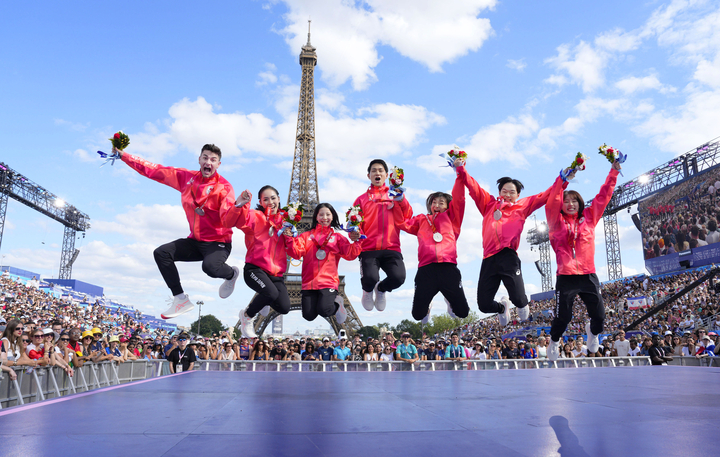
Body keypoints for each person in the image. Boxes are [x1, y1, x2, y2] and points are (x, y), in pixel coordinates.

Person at [115, 144, 240, 319]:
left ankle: (232, 274)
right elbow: (154, 170)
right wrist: (124, 156)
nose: (208, 162)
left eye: (213, 160)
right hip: (195, 241)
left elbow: (229, 216)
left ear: (218, 164)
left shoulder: (224, 187)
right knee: (161, 253)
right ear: (199, 160)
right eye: (205, 158)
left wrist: (238, 207)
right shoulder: (186, 178)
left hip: (218, 243)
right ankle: (180, 299)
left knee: (210, 267)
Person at [457, 165, 555, 326]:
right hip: (489, 259)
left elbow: (545, 195)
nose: (508, 195)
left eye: (512, 192)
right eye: (504, 191)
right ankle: (502, 308)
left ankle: (523, 304)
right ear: (499, 192)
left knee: (518, 299)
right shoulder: (488, 204)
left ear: (518, 195)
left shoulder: (523, 206)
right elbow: (474, 187)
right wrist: (461, 169)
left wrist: (563, 179)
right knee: (483, 305)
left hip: (508, 256)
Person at [546, 159, 622, 361]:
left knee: (599, 316)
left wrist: (613, 172)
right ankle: (554, 341)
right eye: (566, 201)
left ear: (580, 203)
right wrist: (562, 180)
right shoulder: (555, 221)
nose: (570, 204)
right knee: (563, 317)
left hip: (588, 274)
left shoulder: (589, 217)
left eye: (574, 201)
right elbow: (552, 200)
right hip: (566, 277)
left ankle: (593, 333)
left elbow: (604, 196)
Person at [396, 158, 469, 322]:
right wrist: (400, 199)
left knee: (463, 312)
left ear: (448, 206)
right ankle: (428, 305)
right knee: (418, 315)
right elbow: (403, 222)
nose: (436, 205)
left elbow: (459, 199)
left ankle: (449, 300)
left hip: (448, 267)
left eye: (441, 202)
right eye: (434, 202)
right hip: (426, 269)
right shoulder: (422, 219)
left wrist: (459, 172)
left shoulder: (453, 218)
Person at [229, 186, 291, 338]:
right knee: (270, 293)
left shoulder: (286, 222)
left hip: (276, 274)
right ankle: (247, 315)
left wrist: (291, 237)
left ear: (279, 199)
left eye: (273, 198)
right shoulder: (255, 216)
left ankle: (264, 301)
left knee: (284, 307)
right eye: (266, 199)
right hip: (255, 269)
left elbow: (296, 251)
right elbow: (237, 221)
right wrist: (241, 204)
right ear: (260, 202)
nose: (270, 202)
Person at [285, 203, 362, 324]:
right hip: (309, 282)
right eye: (321, 214)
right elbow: (296, 253)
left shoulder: (337, 238)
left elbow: (350, 254)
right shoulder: (305, 236)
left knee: (325, 310)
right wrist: (289, 239)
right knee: (308, 315)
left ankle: (337, 304)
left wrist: (357, 240)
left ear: (333, 216)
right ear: (316, 217)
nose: (324, 217)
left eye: (328, 214)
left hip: (328, 281)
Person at [353, 159, 412, 312]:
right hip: (368, 248)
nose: (377, 173)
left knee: (398, 278)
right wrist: (355, 232)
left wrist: (401, 199)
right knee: (370, 278)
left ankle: (381, 289)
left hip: (391, 247)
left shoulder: (395, 195)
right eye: (373, 171)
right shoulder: (361, 199)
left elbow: (408, 215)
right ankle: (367, 291)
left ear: (387, 175)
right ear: (368, 175)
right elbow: (355, 221)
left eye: (380, 170)